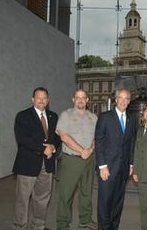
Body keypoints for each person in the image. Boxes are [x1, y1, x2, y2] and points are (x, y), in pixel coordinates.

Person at [12, 87, 60, 230]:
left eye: (44, 98)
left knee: (42, 199)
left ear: (48, 100)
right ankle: (19, 226)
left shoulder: (53, 116)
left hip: (48, 164)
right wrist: (43, 148)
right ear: (33, 99)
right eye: (38, 97)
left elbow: (58, 136)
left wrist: (53, 147)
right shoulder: (23, 116)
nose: (41, 100)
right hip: (28, 164)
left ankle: (38, 226)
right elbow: (22, 138)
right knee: (22, 199)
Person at [95, 89, 137, 230]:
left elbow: (131, 143)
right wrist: (102, 166)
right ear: (116, 100)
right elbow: (99, 141)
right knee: (105, 202)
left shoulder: (132, 119)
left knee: (118, 202)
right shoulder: (105, 117)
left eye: (126, 98)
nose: (123, 101)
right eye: (121, 98)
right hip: (107, 168)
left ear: (129, 101)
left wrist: (131, 163)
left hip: (124, 168)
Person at [56, 89, 98, 230]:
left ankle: (85, 219)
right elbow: (64, 136)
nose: (80, 100)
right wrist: (82, 151)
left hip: (89, 160)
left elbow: (97, 137)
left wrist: (90, 150)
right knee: (66, 194)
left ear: (87, 100)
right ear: (73, 99)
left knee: (86, 192)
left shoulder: (93, 117)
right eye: (77, 97)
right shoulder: (65, 115)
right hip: (72, 160)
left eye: (83, 97)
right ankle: (63, 224)